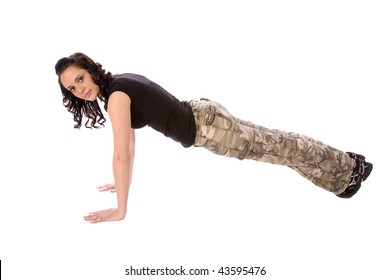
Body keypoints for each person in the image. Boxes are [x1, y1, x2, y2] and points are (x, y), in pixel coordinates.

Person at [55, 52, 373, 224]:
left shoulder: (116, 98)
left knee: (282, 149)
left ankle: (346, 173)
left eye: (80, 79)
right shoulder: (118, 84)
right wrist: (120, 181)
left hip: (210, 130)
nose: (80, 89)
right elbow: (129, 144)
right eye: (72, 88)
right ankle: (349, 166)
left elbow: (121, 154)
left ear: (90, 69)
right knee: (280, 142)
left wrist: (120, 209)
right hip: (204, 113)